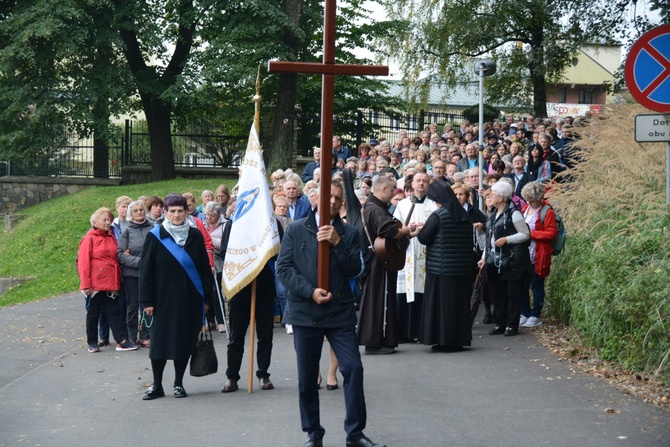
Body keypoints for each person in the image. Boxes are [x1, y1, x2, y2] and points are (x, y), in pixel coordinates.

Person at [276, 181, 385, 447]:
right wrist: (310, 291)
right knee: (307, 378)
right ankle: (314, 433)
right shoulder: (296, 229)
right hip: (305, 312)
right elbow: (284, 269)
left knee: (353, 368)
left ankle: (355, 434)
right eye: (329, 197)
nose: (333, 202)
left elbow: (356, 270)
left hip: (339, 312)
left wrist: (337, 243)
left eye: (338, 198)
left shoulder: (349, 232)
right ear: (316, 199)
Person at [139, 194, 214, 400]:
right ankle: (157, 385)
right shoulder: (155, 236)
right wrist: (147, 301)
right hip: (162, 301)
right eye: (172, 211)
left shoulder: (195, 235)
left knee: (183, 342)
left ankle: (178, 384)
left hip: (189, 300)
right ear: (165, 213)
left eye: (180, 210)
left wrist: (207, 299)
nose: (177, 215)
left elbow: (204, 270)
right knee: (159, 344)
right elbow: (146, 272)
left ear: (187, 211)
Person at [416, 182, 474, 351]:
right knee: (458, 306)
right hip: (461, 268)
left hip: (441, 268)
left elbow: (424, 238)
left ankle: (444, 341)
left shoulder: (438, 215)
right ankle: (458, 340)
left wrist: (421, 229)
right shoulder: (463, 214)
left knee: (442, 308)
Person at [358, 176, 410, 354]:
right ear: (384, 190)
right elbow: (389, 230)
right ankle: (375, 342)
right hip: (379, 262)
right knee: (380, 300)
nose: (394, 192)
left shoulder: (371, 207)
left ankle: (377, 340)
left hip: (376, 260)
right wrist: (406, 231)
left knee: (376, 299)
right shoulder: (376, 209)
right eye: (393, 189)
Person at [77, 208, 138, 353]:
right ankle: (92, 342)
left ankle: (122, 340)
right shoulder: (89, 238)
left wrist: (124, 253)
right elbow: (83, 262)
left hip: (110, 282)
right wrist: (85, 284)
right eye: (104, 220)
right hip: (96, 284)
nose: (108, 222)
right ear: (95, 222)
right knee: (93, 313)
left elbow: (115, 255)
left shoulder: (111, 237)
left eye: (109, 220)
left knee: (114, 312)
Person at [477, 181, 531, 337]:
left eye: (493, 194)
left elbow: (525, 234)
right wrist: (483, 257)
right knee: (498, 293)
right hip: (496, 260)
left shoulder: (514, 213)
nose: (490, 196)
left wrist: (507, 239)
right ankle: (500, 323)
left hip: (513, 261)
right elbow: (489, 239)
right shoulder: (493, 214)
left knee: (513, 294)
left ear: (501, 197)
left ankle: (511, 325)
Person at [393, 172, 436, 343]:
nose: (421, 184)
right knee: (404, 290)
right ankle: (403, 332)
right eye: (418, 181)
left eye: (425, 181)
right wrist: (406, 228)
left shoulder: (433, 205)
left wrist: (426, 226)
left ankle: (419, 331)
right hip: (408, 251)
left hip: (425, 251)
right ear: (412, 183)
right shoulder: (403, 204)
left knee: (422, 292)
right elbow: (395, 225)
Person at [520, 182, 558, 328]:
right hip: (524, 254)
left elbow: (551, 233)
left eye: (532, 199)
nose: (529, 202)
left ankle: (536, 315)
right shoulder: (525, 208)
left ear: (540, 197)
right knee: (523, 285)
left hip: (539, 254)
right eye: (527, 199)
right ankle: (525, 313)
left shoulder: (547, 212)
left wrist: (531, 234)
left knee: (536, 285)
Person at [117, 200, 153, 347]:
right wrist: (140, 262)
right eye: (135, 211)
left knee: (148, 304)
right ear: (131, 214)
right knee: (132, 305)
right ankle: (132, 336)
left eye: (141, 210)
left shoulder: (153, 228)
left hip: (149, 274)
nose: (139, 213)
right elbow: (120, 254)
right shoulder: (127, 230)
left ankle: (146, 336)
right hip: (132, 274)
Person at [204, 201, 229, 333]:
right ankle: (210, 320)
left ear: (219, 215)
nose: (209, 218)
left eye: (212, 215)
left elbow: (226, 244)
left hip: (218, 262)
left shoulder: (225, 225)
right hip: (205, 262)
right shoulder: (202, 224)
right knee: (208, 292)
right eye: (207, 215)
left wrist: (209, 240)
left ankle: (220, 321)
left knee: (216, 292)